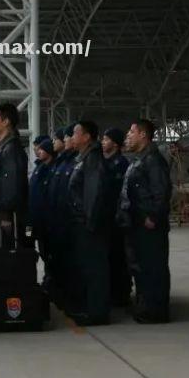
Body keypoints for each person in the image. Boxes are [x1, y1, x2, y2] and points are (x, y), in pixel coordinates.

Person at [119, 119, 172, 323]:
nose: (129, 135)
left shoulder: (153, 160)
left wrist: (153, 217)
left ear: (143, 135)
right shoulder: (139, 158)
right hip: (137, 222)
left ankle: (155, 311)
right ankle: (145, 306)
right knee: (141, 268)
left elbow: (162, 191)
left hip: (149, 224)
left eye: (132, 132)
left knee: (153, 268)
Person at [67, 120, 111, 325]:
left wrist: (89, 223)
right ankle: (90, 308)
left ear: (86, 137)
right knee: (87, 268)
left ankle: (97, 312)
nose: (72, 137)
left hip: (90, 225)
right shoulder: (83, 158)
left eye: (76, 133)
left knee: (95, 269)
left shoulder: (92, 159)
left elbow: (92, 194)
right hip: (83, 223)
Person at [0, 103, 29, 245]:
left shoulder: (11, 149)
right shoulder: (3, 149)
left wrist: (5, 217)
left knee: (7, 257)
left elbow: (11, 187)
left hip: (5, 218)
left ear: (6, 121)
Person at [46, 124, 77, 306]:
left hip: (69, 221)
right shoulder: (62, 161)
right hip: (58, 220)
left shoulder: (75, 162)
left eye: (62, 137)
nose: (60, 141)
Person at [101, 128, 131, 307]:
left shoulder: (121, 164)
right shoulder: (106, 163)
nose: (103, 142)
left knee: (120, 258)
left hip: (117, 218)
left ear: (115, 143)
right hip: (108, 218)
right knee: (110, 257)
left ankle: (121, 294)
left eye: (106, 139)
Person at [28, 136, 55, 269]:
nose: (38, 151)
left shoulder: (50, 169)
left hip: (46, 219)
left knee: (49, 252)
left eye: (41, 149)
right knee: (43, 251)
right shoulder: (40, 167)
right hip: (38, 218)